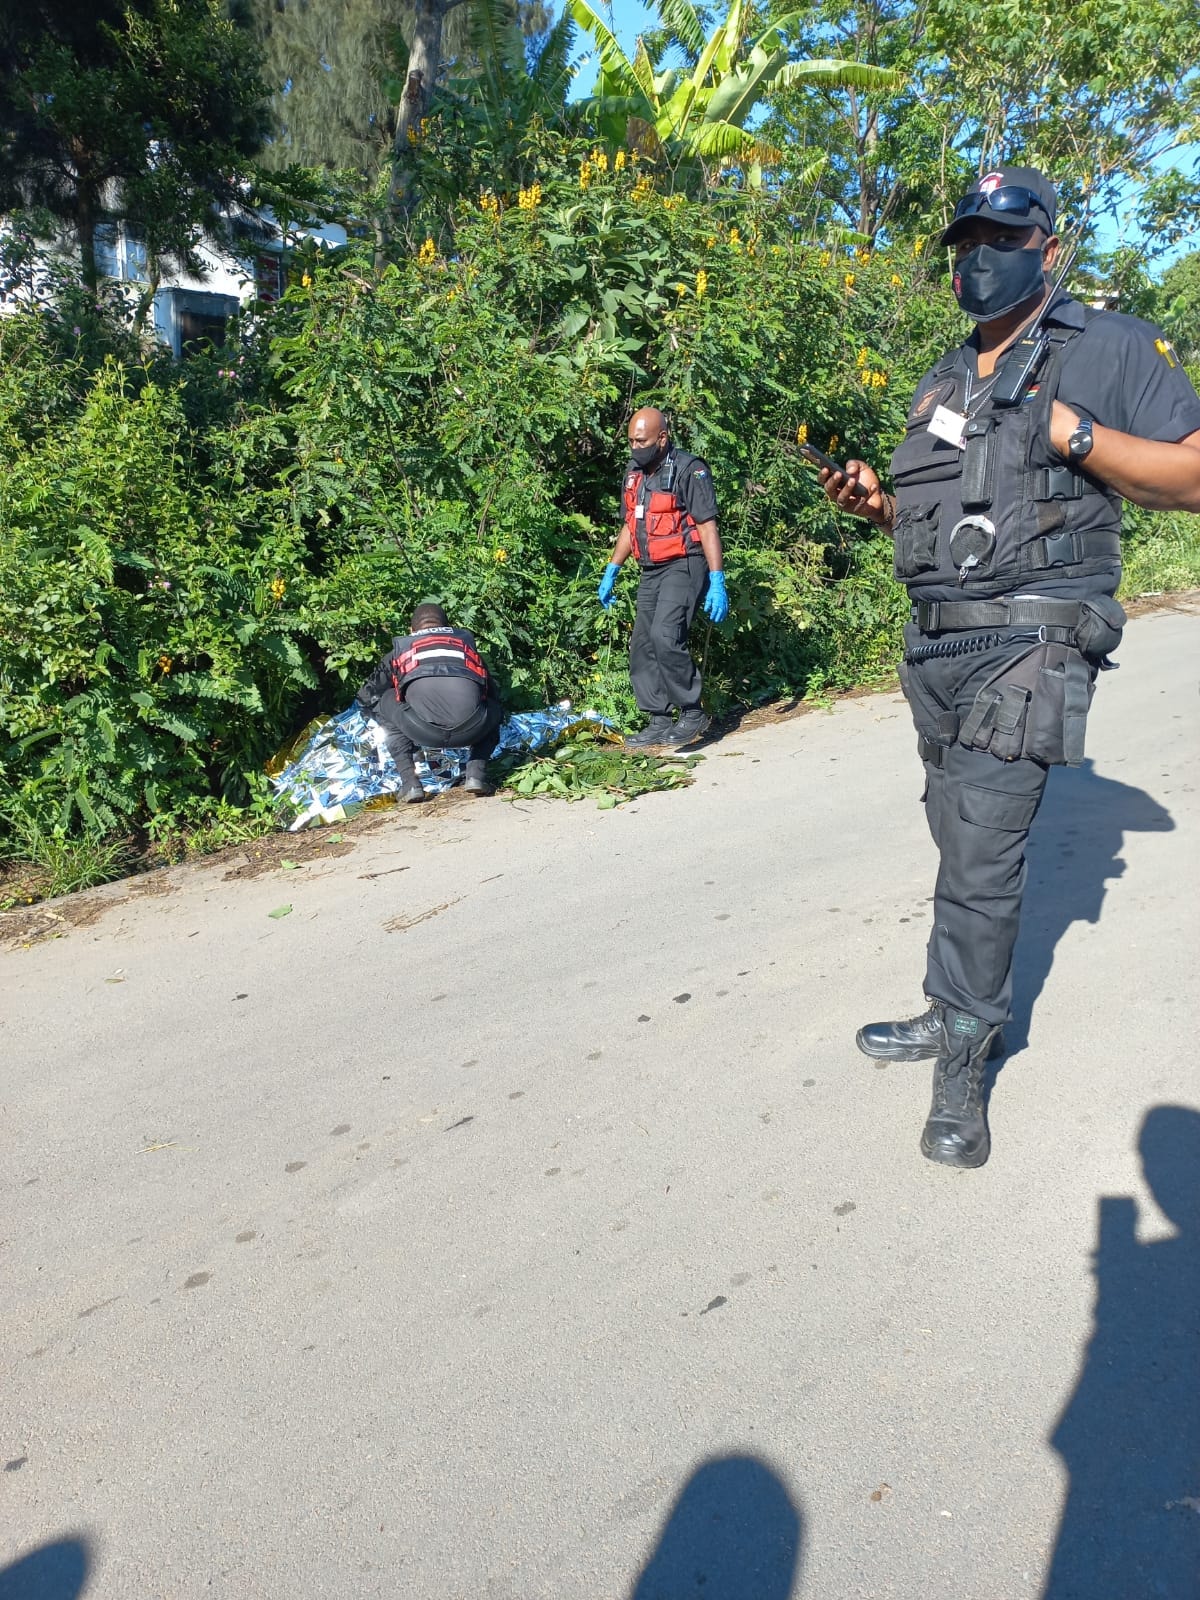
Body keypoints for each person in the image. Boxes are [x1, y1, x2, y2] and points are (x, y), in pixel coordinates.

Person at [820, 164, 1200, 1169]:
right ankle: (948, 1007)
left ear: (1049, 248)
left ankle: (965, 1062)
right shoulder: (944, 378)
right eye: (965, 243)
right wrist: (879, 505)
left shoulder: (1106, 350)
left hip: (1032, 644)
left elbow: (1194, 472)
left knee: (983, 858)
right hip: (937, 644)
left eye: (1001, 236)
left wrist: (1080, 433)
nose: (979, 258)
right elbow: (951, 516)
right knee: (957, 845)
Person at [597, 407, 730, 747]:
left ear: (662, 438)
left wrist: (717, 578)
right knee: (641, 643)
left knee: (664, 635)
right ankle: (657, 718)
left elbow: (706, 525)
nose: (634, 447)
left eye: (641, 441)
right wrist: (613, 568)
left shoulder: (690, 470)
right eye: (630, 441)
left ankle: (691, 711)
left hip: (685, 563)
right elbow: (632, 525)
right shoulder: (633, 474)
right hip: (651, 569)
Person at [354, 603, 503, 802]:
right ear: (447, 627)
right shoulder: (466, 648)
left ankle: (410, 783)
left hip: (421, 730)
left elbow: (367, 695)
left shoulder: (400, 652)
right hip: (472, 729)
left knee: (385, 699)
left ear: (411, 630)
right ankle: (476, 774)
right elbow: (492, 692)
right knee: (494, 708)